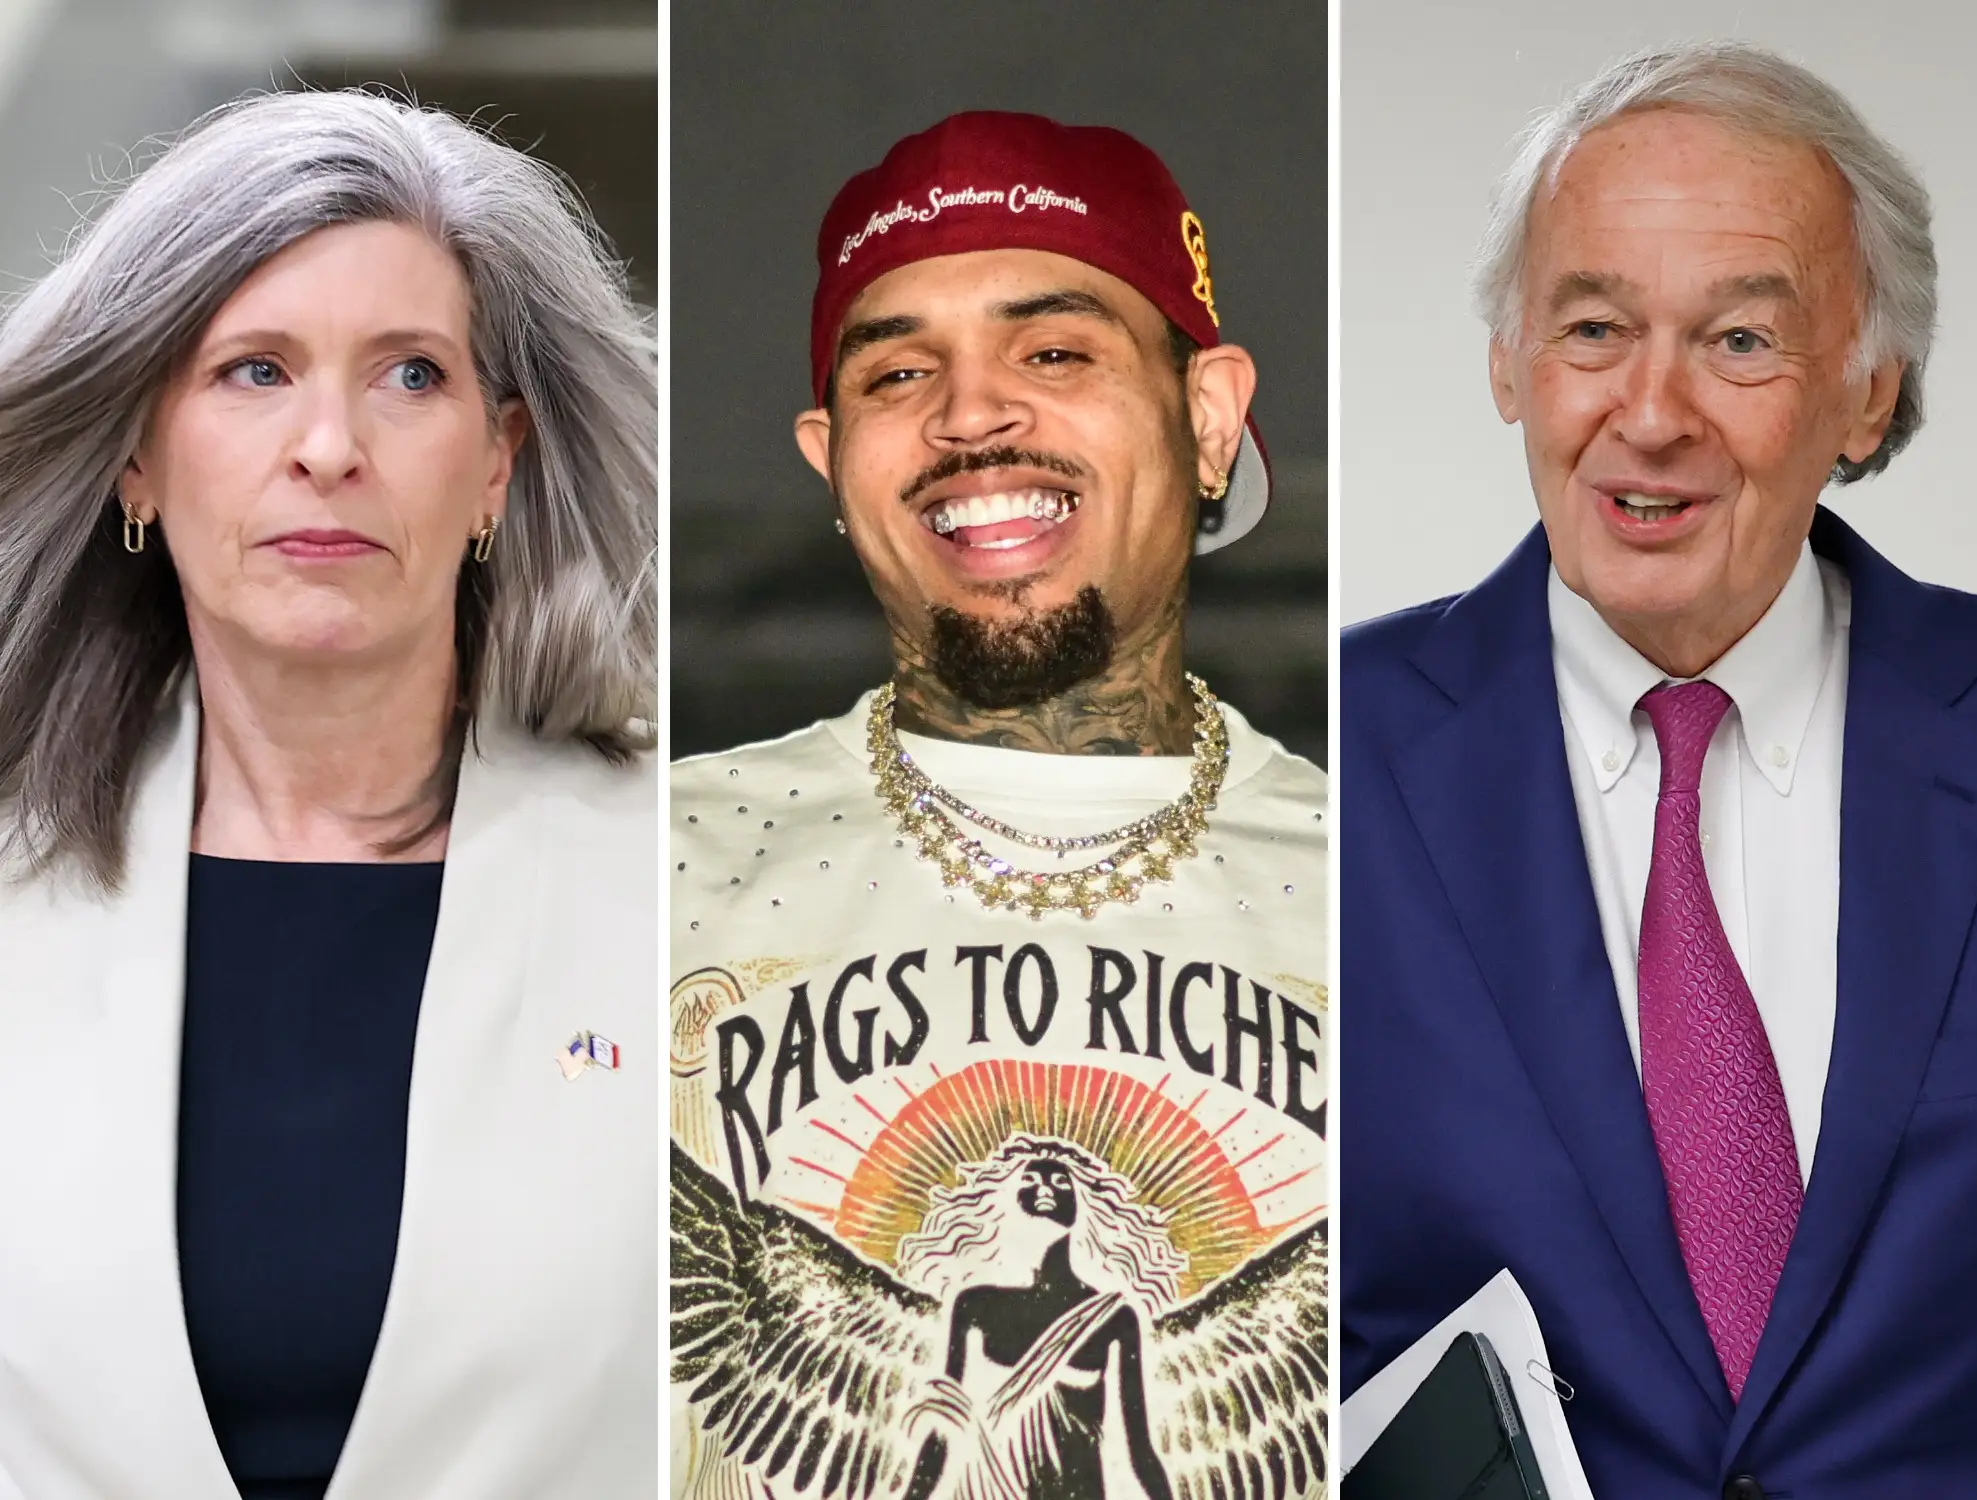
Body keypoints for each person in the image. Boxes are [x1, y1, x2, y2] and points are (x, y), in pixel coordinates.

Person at [1343, 40, 1977, 1499]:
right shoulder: (1323, 758)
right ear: (1509, 363)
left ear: (1868, 393)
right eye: (1592, 329)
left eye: (1741, 341)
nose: (1650, 412)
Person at [0, 90, 657, 1499]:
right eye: (254, 370)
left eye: (410, 374)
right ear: (134, 454)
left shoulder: (688, 879)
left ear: (499, 462)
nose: (330, 446)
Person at [667, 112, 1327, 1500]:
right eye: (900, 372)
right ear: (830, 462)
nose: (970, 417)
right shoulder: (641, 861)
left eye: (1054, 352)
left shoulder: (1404, 890)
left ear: (1207, 419)